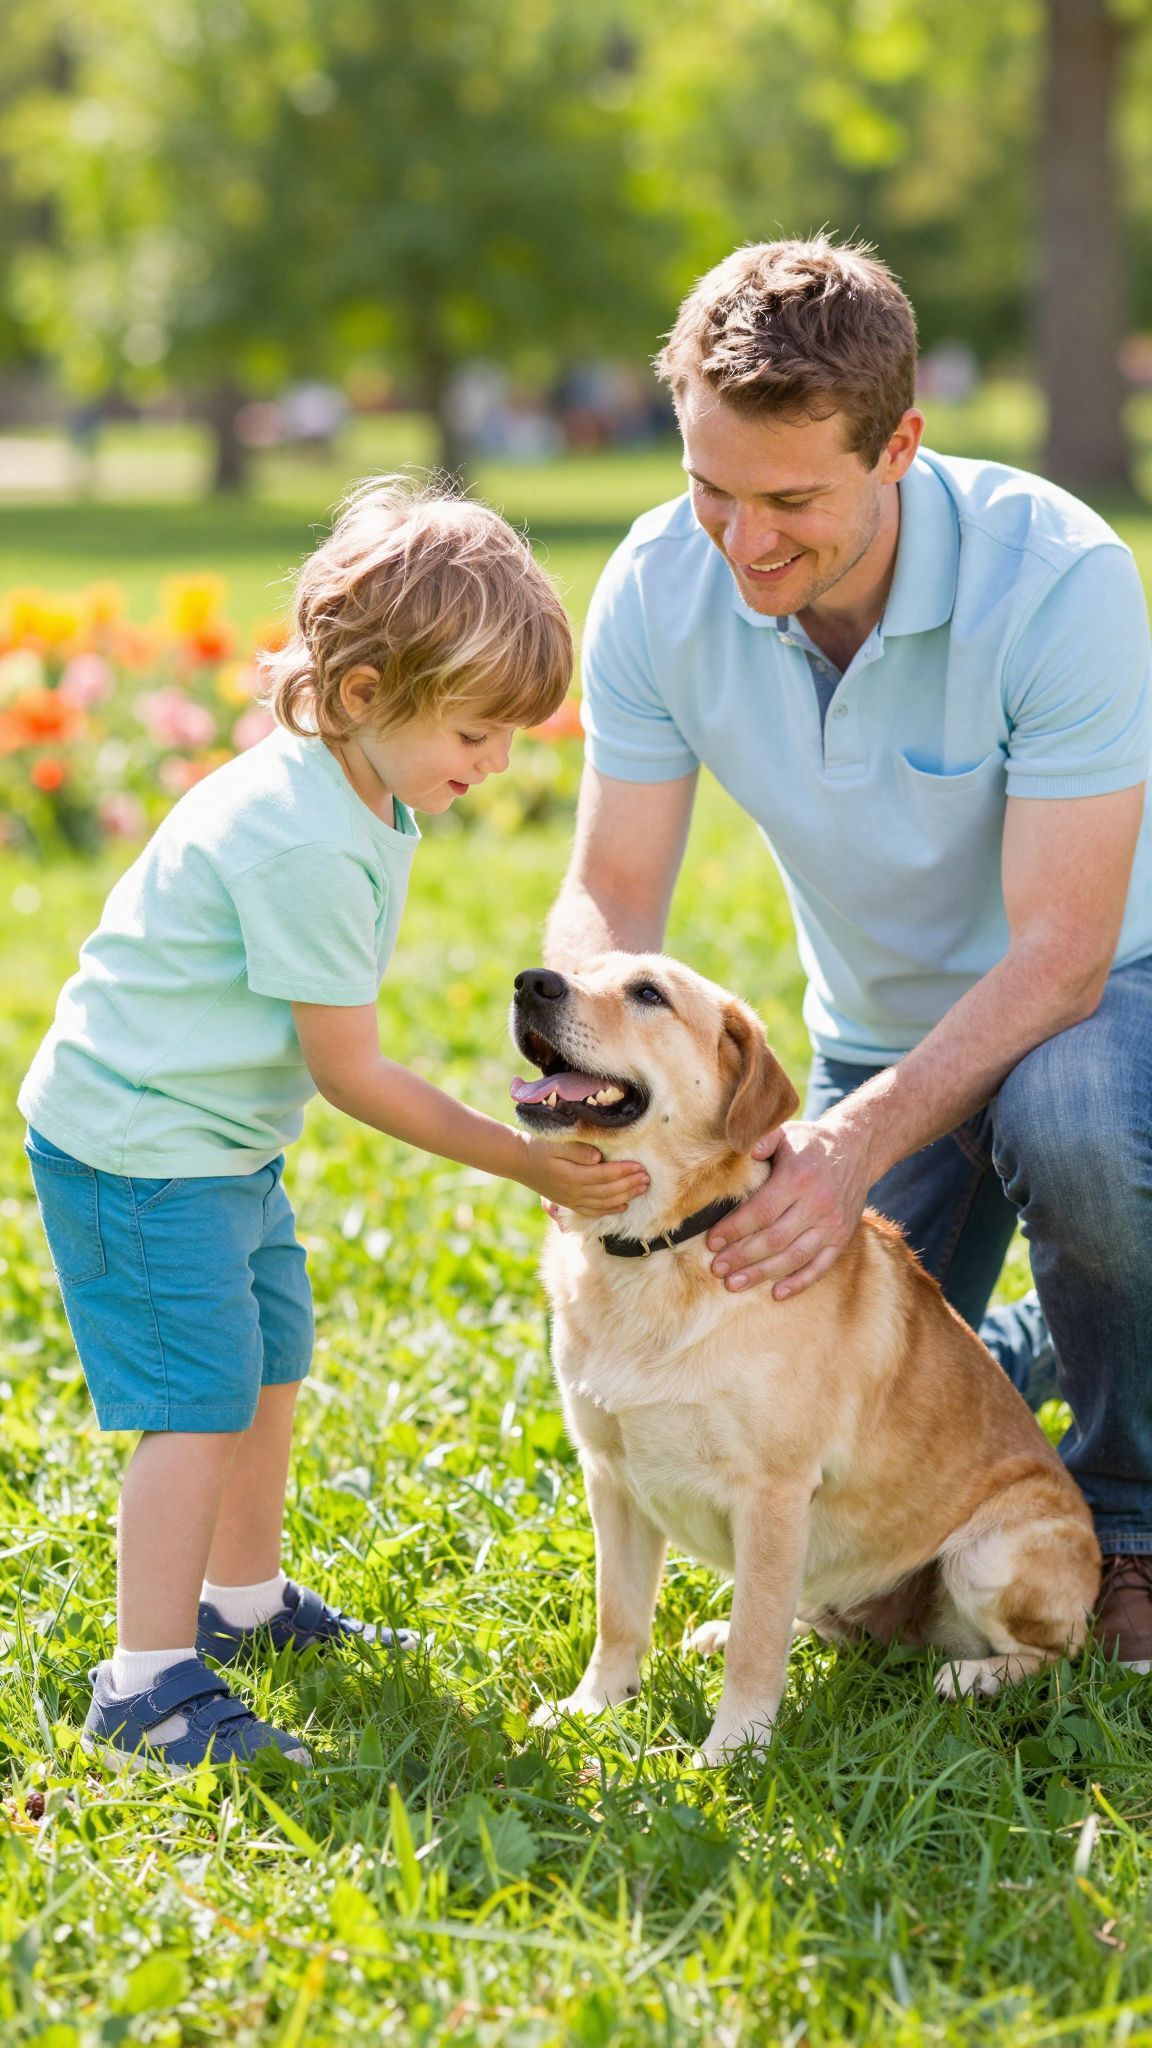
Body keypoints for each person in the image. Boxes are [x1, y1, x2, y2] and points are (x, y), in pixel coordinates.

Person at [544, 238, 1152, 1665]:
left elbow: (1061, 950)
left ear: (902, 447)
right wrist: (586, 1054)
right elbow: (609, 887)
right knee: (840, 1378)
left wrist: (850, 1147)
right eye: (711, 489)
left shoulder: (1059, 580)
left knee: (1078, 1136)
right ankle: (1033, 1350)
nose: (745, 541)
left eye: (793, 500)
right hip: (880, 1028)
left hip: (1100, 1004)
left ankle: (1128, 1520)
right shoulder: (655, 585)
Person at [20, 477, 648, 1772]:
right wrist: (525, 1161)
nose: (493, 764)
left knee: (268, 1358)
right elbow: (353, 1073)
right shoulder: (300, 836)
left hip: (214, 1139)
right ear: (364, 696)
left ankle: (241, 1605)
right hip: (142, 1149)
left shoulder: (366, 794)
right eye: (476, 732)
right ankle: (146, 1683)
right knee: (195, 1401)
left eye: (511, 740)